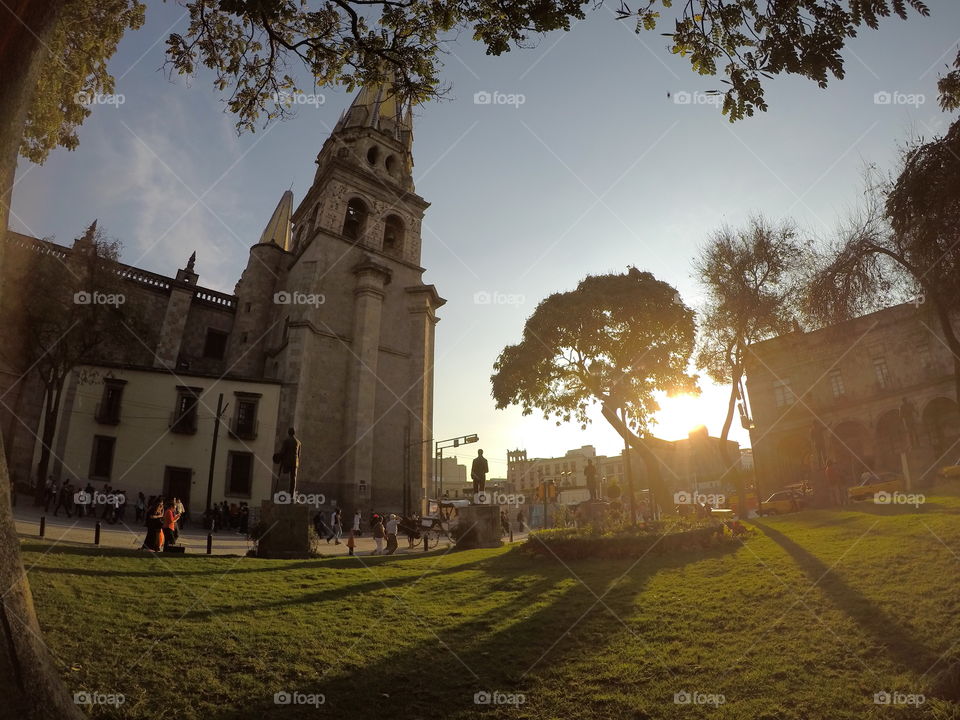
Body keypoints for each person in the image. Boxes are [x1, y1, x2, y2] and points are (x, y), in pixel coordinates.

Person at [277, 427, 301, 494]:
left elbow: (282, 451)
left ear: (288, 433)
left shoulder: (286, 441)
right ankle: (291, 494)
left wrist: (278, 457)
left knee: (284, 475)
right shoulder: (298, 442)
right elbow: (299, 455)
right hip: (295, 462)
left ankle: (281, 493)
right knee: (293, 478)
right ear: (294, 433)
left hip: (287, 462)